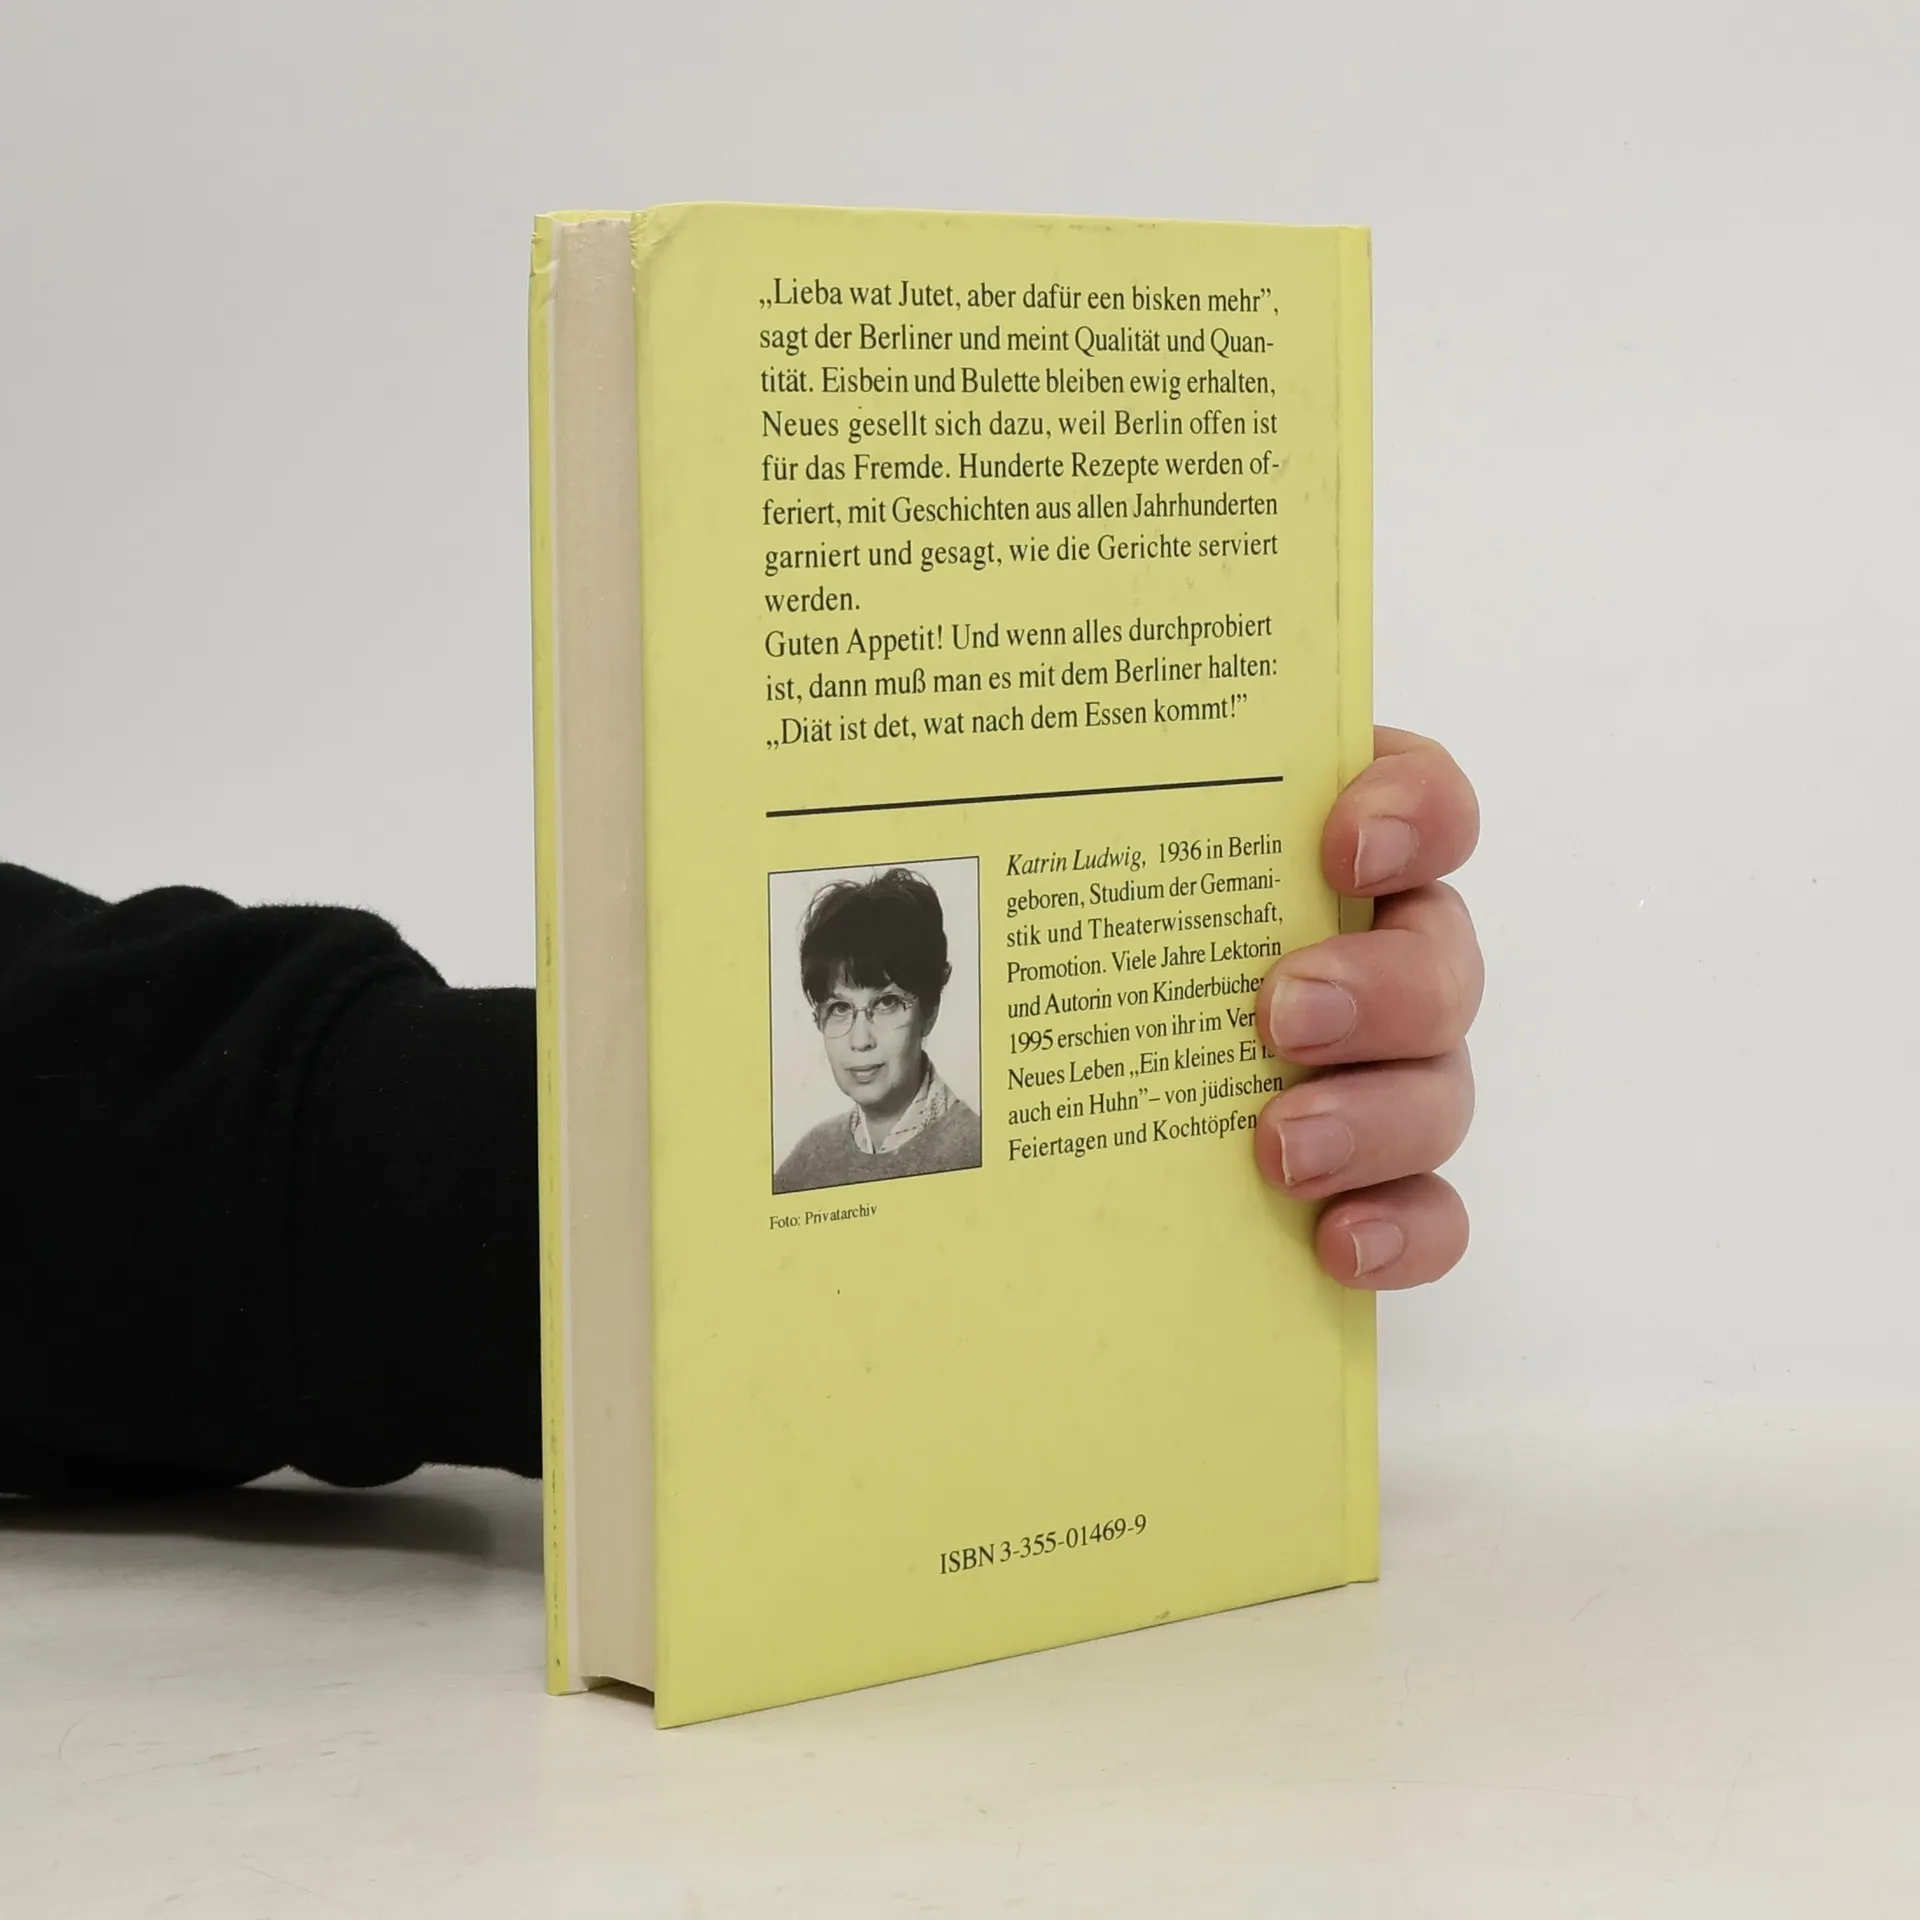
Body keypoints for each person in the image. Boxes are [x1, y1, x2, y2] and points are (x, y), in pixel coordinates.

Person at [0, 728, 1479, 1499]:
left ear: (928, 1006)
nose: (855, 1035)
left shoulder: (906, 1133)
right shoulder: (812, 1150)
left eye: (878, 1002)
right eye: (829, 1009)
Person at [773, 867, 983, 1194]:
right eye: (839, 1008)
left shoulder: (975, 1150)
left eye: (886, 1003)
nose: (861, 1041)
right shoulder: (807, 1161)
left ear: (930, 1010)